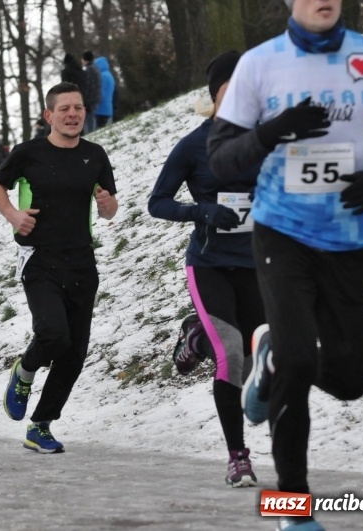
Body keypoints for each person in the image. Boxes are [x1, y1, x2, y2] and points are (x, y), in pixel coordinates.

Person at [207, 1, 363, 529]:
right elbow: (221, 157)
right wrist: (273, 130)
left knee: (350, 379)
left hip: (348, 240)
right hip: (283, 233)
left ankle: (271, 354)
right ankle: (293, 511)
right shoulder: (260, 63)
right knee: (300, 363)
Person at [148, 50, 263, 488]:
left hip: (257, 264)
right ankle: (238, 458)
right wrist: (202, 211)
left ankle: (196, 332)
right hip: (210, 264)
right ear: (216, 95)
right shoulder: (194, 145)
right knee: (230, 355)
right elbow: (156, 202)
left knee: (255, 356)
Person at [0, 82, 118, 453]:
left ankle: (41, 425)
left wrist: (107, 204)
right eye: (64, 109)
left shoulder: (95, 155)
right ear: (49, 116)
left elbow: (110, 209)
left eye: (78, 108)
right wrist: (14, 216)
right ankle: (24, 372)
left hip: (81, 260)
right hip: (39, 258)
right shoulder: (29, 153)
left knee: (74, 352)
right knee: (52, 333)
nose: (73, 114)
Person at [81, 51, 102, 134]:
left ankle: (91, 138)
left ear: (85, 59)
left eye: (82, 59)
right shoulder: (95, 67)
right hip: (96, 97)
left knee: (89, 123)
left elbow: (89, 86)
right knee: (92, 120)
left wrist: (86, 100)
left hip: (91, 100)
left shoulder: (89, 69)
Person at [94, 56, 115, 129]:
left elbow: (100, 94)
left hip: (101, 109)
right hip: (108, 108)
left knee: (99, 130)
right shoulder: (109, 75)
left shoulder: (102, 76)